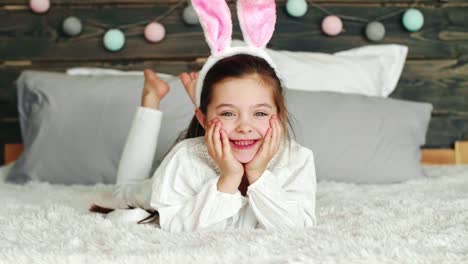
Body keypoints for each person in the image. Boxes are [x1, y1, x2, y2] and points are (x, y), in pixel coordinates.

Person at [90, 0, 317, 232]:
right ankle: (152, 97)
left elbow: (297, 227)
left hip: (208, 122)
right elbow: (178, 228)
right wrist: (229, 177)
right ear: (202, 119)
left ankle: (211, 106)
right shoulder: (185, 159)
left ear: (278, 116)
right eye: (229, 113)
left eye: (260, 113)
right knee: (124, 192)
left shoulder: (297, 160)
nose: (245, 127)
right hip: (173, 174)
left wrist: (257, 174)